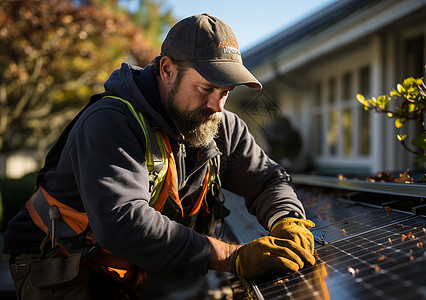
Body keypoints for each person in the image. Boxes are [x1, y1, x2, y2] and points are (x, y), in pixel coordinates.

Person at [3, 13, 316, 299]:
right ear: (168, 70)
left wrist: (287, 219)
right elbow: (123, 222)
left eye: (225, 93)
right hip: (60, 263)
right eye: (206, 88)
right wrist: (234, 258)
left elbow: (268, 178)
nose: (217, 106)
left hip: (133, 267)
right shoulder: (111, 122)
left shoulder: (219, 123)